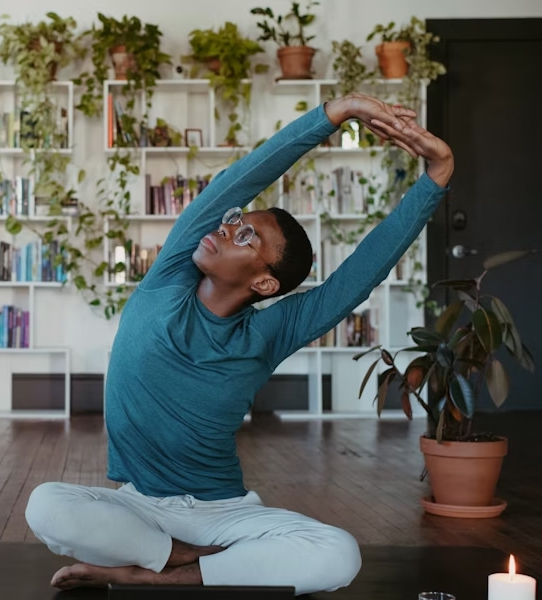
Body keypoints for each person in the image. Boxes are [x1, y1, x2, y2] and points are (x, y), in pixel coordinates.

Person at [25, 93, 453, 595]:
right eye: (235, 221)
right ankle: (182, 560)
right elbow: (243, 177)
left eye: (246, 237)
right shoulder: (166, 280)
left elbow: (357, 277)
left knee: (338, 554)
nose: (227, 229)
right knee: (46, 505)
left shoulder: (268, 333)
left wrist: (437, 175)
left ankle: (160, 575)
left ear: (267, 284)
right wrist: (338, 111)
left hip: (221, 514)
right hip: (136, 505)